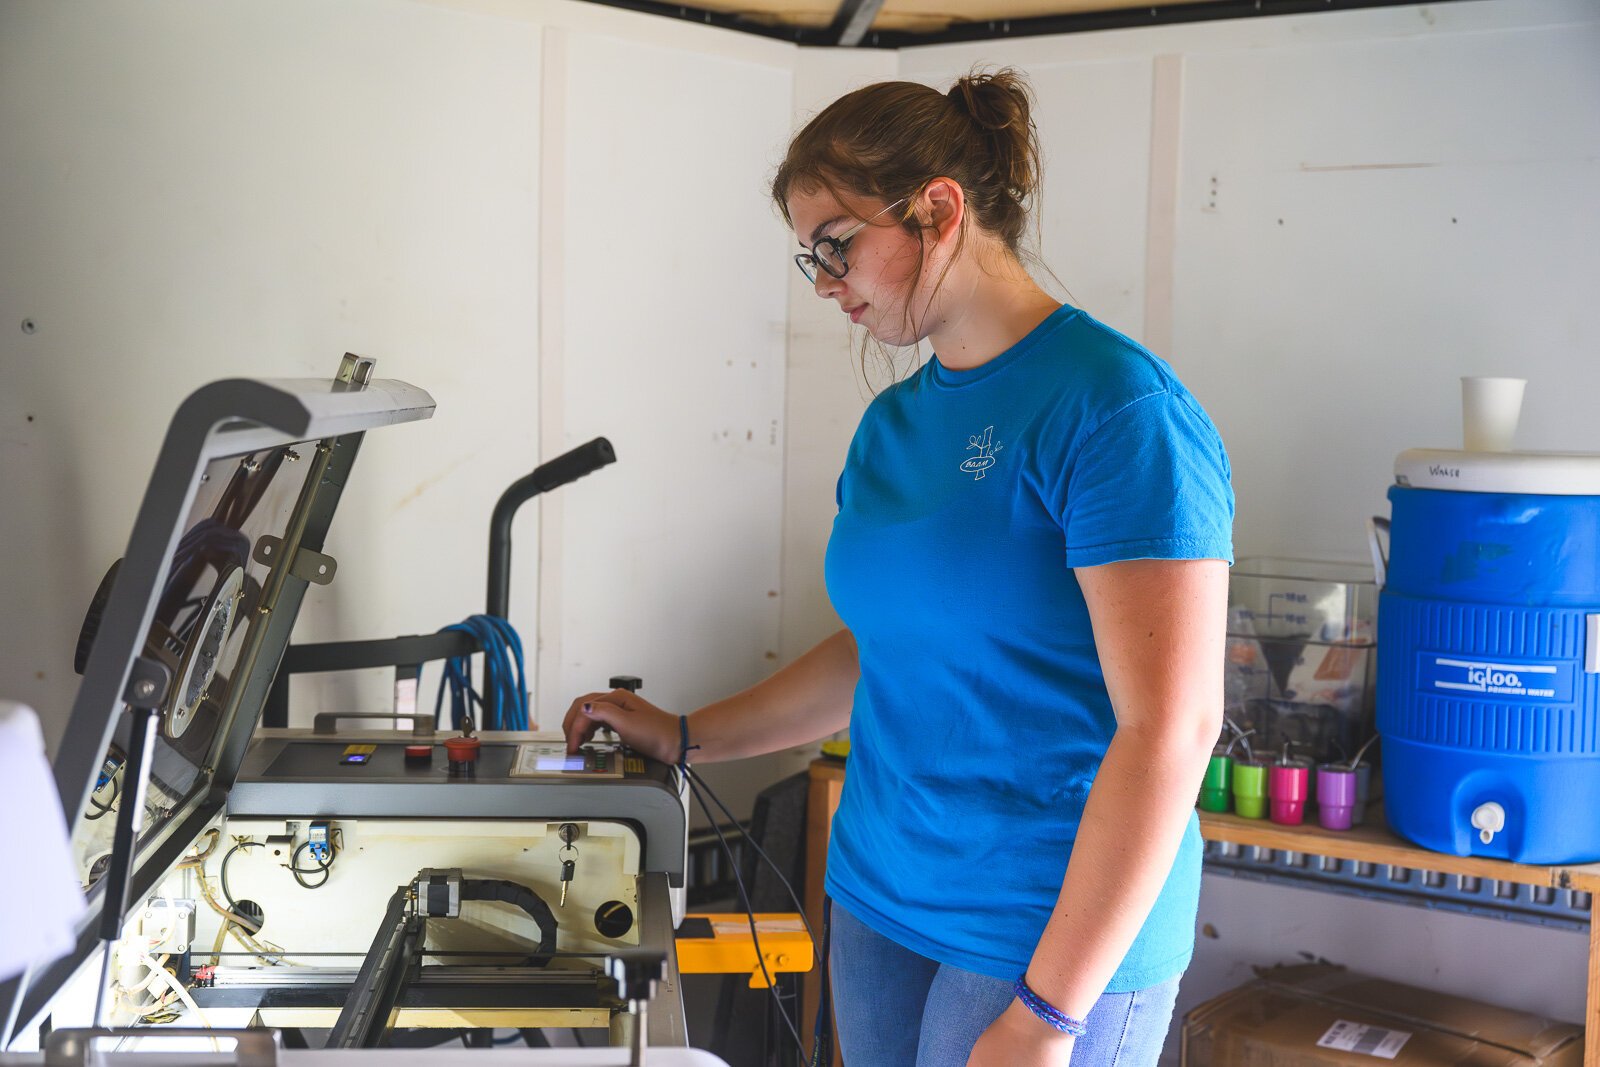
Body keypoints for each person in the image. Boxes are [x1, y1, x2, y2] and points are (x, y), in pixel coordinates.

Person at [564, 68, 1234, 1067]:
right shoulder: (893, 424)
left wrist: (1049, 1012)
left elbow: (1171, 729)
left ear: (937, 209)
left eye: (836, 245)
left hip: (1040, 927)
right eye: (808, 259)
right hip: (883, 892)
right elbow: (880, 646)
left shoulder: (1114, 408)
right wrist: (689, 735)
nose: (827, 281)